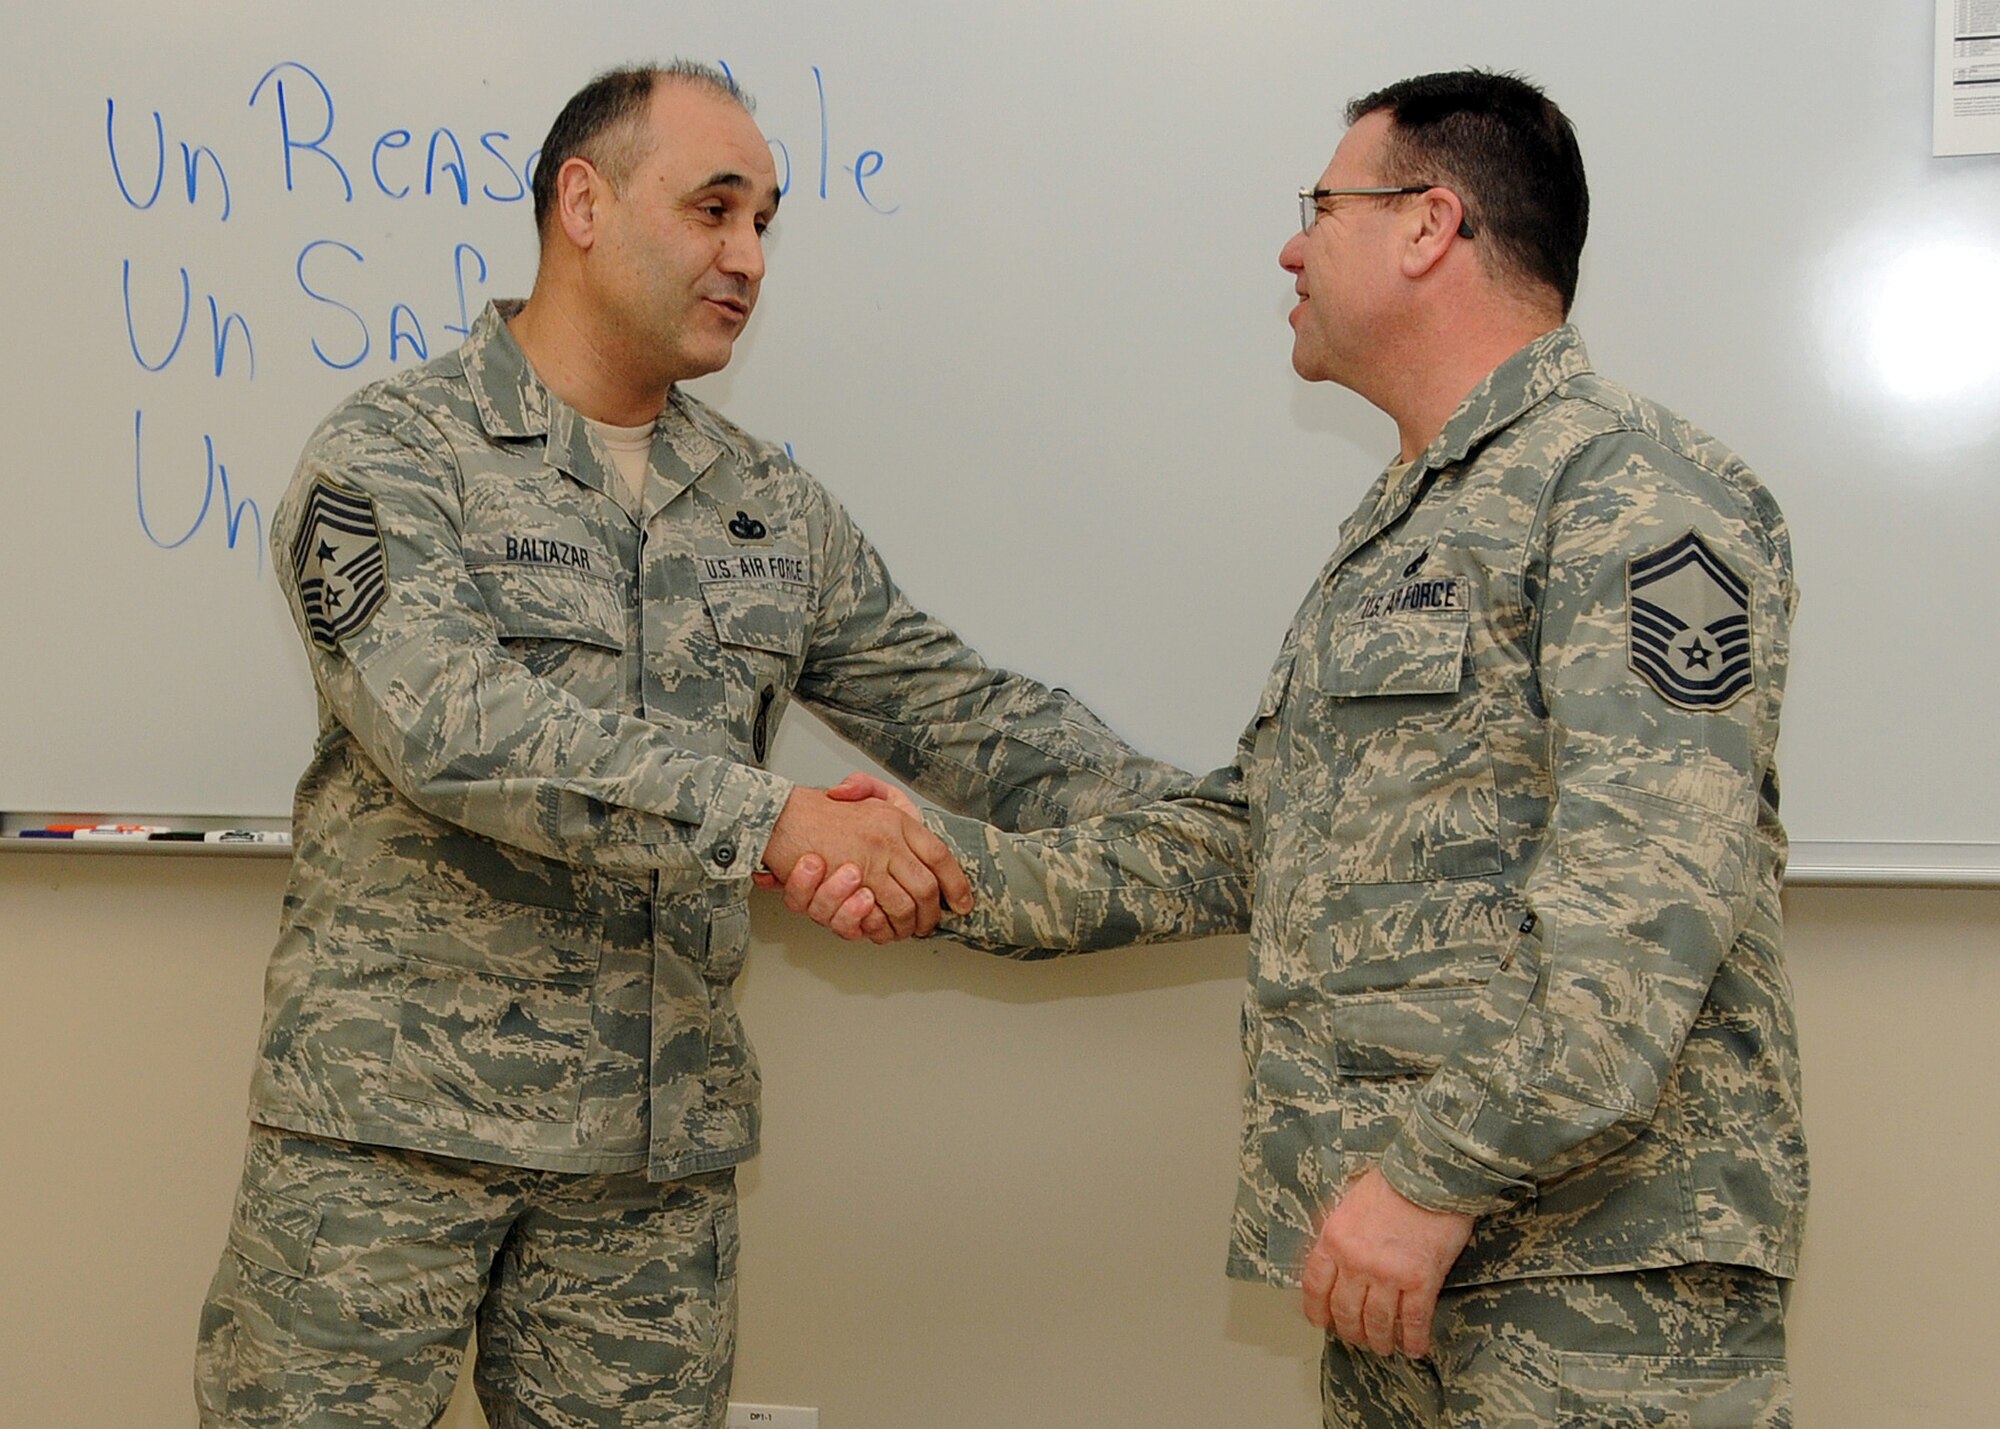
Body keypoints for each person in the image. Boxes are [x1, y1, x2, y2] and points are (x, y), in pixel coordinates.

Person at [791, 68, 1806, 1427]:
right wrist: (953, 875)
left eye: (1321, 206)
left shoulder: (1632, 489)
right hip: (1399, 1260)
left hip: (1589, 1286)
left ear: (1428, 226)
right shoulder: (1406, 523)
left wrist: (1436, 1172)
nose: (1290, 245)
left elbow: (1639, 912)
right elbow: (1252, 842)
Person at [193, 62, 1191, 1428]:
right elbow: (452, 723)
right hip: (388, 1140)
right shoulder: (390, 456)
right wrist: (774, 820)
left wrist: (1248, 820)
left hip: (650, 1176)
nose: (748, 257)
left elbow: (968, 713)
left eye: (767, 221)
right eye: (715, 208)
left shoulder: (766, 506)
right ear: (583, 203)